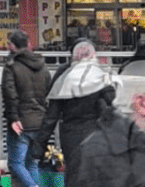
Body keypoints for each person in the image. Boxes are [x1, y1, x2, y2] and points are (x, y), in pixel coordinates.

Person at [33, 40, 117, 176]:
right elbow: (114, 104)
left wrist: (40, 145)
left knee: (74, 176)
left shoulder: (63, 75)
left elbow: (51, 116)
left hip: (70, 136)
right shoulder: (100, 74)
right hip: (95, 134)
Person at [2, 30, 50, 187]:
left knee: (15, 163)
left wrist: (13, 118)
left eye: (9, 43)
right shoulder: (42, 65)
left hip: (21, 121)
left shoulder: (11, 66)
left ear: (13, 45)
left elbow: (9, 93)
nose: (7, 47)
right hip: (40, 120)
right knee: (32, 163)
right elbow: (47, 91)